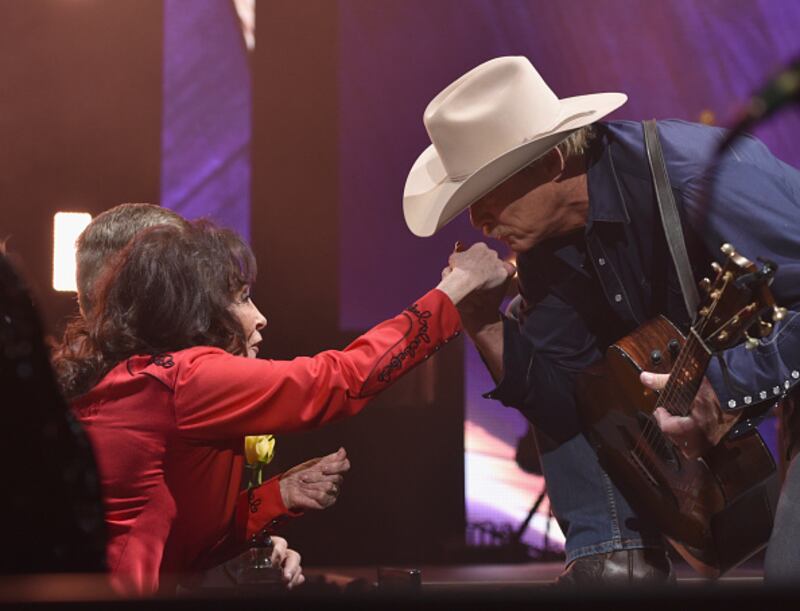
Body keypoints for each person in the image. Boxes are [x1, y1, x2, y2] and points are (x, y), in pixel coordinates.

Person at [403, 56, 800, 585]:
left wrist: (725, 387)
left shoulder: (704, 176)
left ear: (550, 163)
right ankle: (617, 565)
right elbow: (567, 405)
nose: (477, 221)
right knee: (524, 324)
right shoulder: (546, 248)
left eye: (484, 194)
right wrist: (483, 322)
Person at [53, 218, 513, 594]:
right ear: (196, 310)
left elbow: (182, 542)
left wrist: (280, 496)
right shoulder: (187, 379)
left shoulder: (148, 380)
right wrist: (457, 287)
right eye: (241, 298)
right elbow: (339, 380)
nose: (260, 317)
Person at [74, 203, 350, 536]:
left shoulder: (139, 380)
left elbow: (173, 536)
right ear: (139, 282)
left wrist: (278, 499)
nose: (198, 297)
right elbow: (329, 379)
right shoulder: (171, 382)